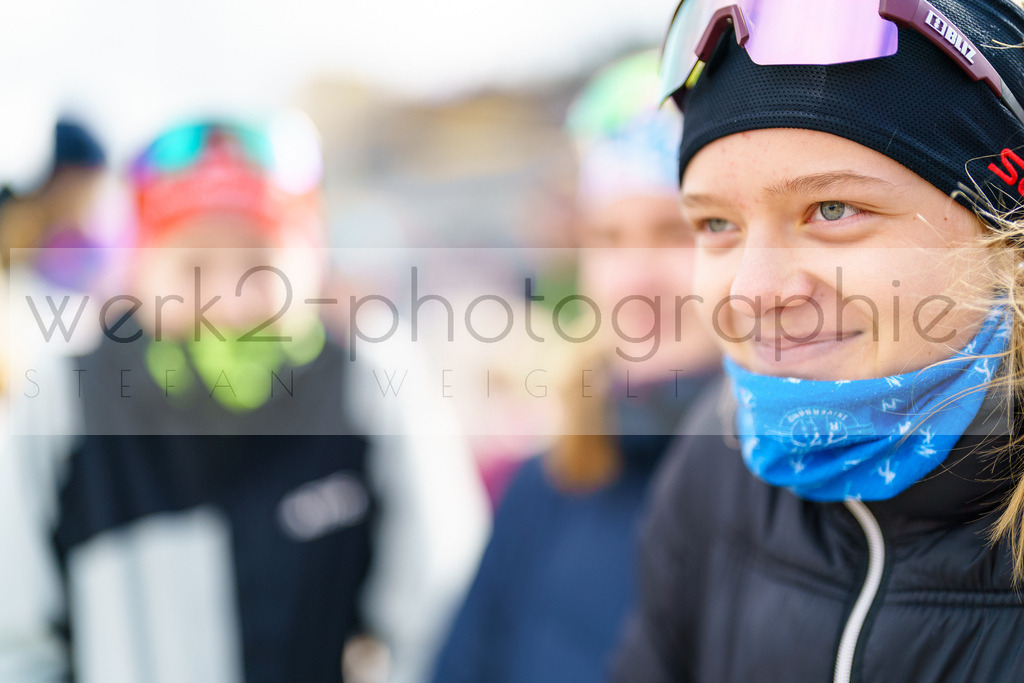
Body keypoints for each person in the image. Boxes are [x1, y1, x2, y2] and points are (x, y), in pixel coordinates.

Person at [612, 1, 1024, 681]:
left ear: (1003, 233)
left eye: (832, 210)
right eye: (715, 224)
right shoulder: (714, 462)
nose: (753, 290)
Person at [0, 114, 489, 683]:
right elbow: (16, 640)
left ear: (312, 260)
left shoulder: (368, 385)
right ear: (140, 269)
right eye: (195, 268)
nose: (229, 306)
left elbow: (441, 618)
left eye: (260, 265)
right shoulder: (65, 402)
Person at [431, 51, 719, 683]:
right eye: (609, 238)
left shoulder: (818, 502)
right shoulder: (546, 489)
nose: (636, 279)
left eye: (678, 231)